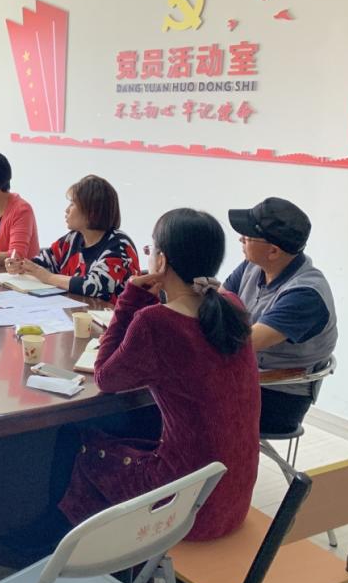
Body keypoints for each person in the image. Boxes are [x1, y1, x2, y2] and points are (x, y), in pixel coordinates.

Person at [16, 209, 259, 555]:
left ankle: (61, 544)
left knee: (77, 439)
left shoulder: (157, 322)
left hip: (185, 508)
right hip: (231, 498)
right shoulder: (231, 306)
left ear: (162, 260)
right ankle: (91, 548)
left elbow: (104, 376)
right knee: (139, 423)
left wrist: (131, 297)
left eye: (150, 249)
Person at [224, 197, 338, 435]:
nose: (241, 239)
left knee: (174, 401)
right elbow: (216, 304)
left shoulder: (305, 295)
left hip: (277, 396)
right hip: (245, 376)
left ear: (273, 251)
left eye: (248, 236)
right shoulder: (253, 266)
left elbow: (240, 343)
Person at [5, 175, 140, 300]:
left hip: (112, 316)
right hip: (76, 311)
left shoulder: (119, 244)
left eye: (72, 204)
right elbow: (41, 263)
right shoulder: (73, 239)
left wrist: (48, 277)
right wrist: (20, 266)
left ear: (92, 211)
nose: (67, 210)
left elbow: (93, 285)